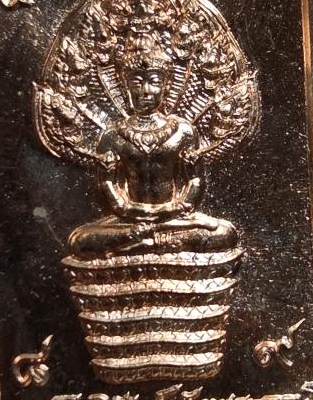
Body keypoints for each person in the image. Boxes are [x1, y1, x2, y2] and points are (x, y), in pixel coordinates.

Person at [68, 33, 238, 260]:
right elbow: (106, 183)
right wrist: (128, 209)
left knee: (225, 233)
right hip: (129, 220)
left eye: (154, 82)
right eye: (137, 83)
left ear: (166, 86)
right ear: (125, 87)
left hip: (174, 217)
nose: (146, 91)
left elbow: (196, 180)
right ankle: (155, 241)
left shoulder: (183, 131)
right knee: (81, 240)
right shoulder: (112, 135)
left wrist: (176, 208)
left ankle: (142, 243)